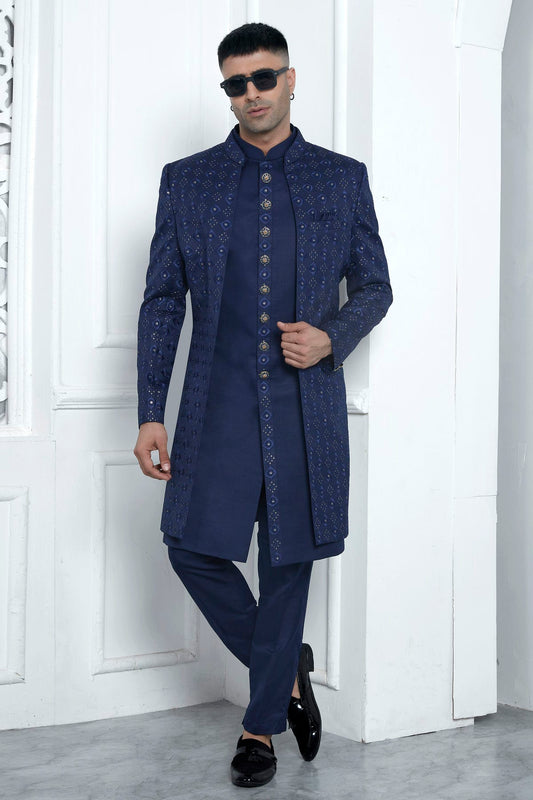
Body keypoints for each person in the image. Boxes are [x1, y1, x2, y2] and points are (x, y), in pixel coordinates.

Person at [133, 21, 392, 788]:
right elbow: (162, 300)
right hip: (214, 404)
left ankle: (259, 729)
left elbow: (375, 285)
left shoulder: (340, 178)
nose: (251, 93)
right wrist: (150, 408)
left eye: (264, 78)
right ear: (227, 90)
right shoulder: (188, 181)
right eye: (236, 83)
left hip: (304, 403)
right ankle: (284, 672)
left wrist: (333, 335)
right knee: (189, 547)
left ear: (289, 79)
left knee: (287, 563)